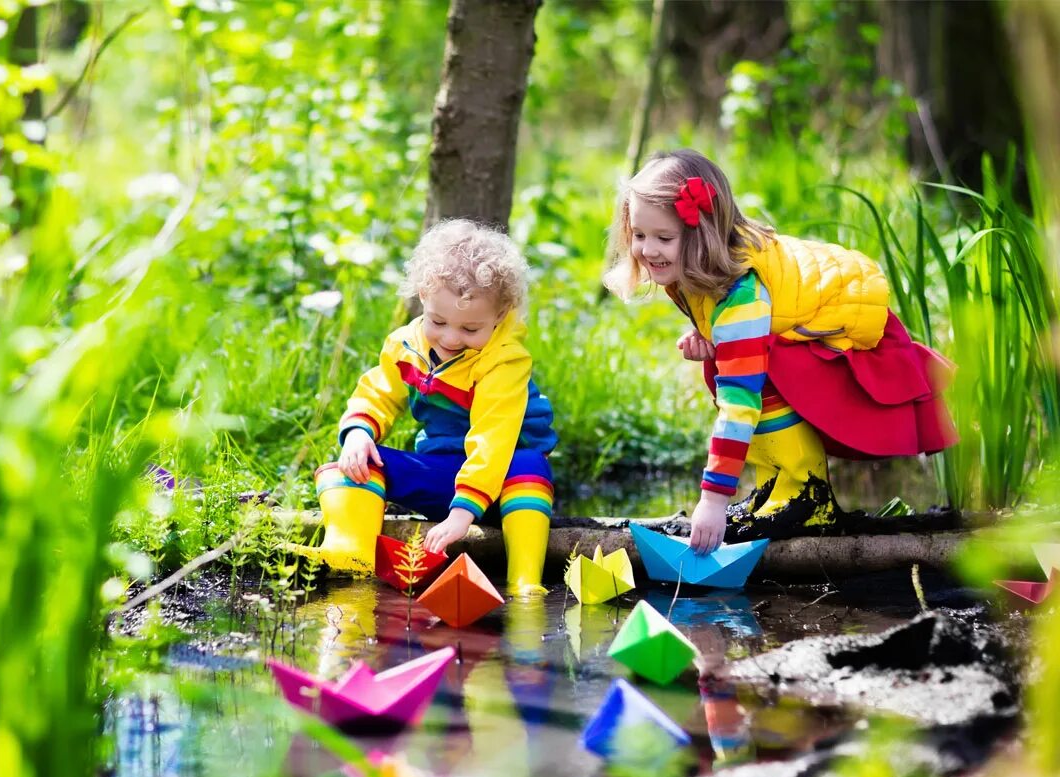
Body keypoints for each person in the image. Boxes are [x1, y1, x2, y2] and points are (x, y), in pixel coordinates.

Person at [605, 149, 957, 555]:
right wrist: (706, 335)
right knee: (729, 363)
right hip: (792, 321)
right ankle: (774, 485)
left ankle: (806, 493)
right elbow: (721, 320)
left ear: (702, 236)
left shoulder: (742, 294)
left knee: (757, 373)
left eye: (664, 238)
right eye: (640, 236)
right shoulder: (692, 268)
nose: (648, 251)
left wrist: (713, 500)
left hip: (842, 325)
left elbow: (740, 402)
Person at [299, 218, 558, 595]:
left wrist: (461, 515)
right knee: (357, 462)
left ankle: (524, 582)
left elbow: (492, 440)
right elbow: (379, 391)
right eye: (439, 321)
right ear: (423, 294)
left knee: (529, 461)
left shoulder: (505, 361)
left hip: (506, 487)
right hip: (444, 477)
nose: (451, 339)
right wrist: (358, 432)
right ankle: (348, 556)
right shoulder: (406, 344)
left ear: (501, 315)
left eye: (470, 329)